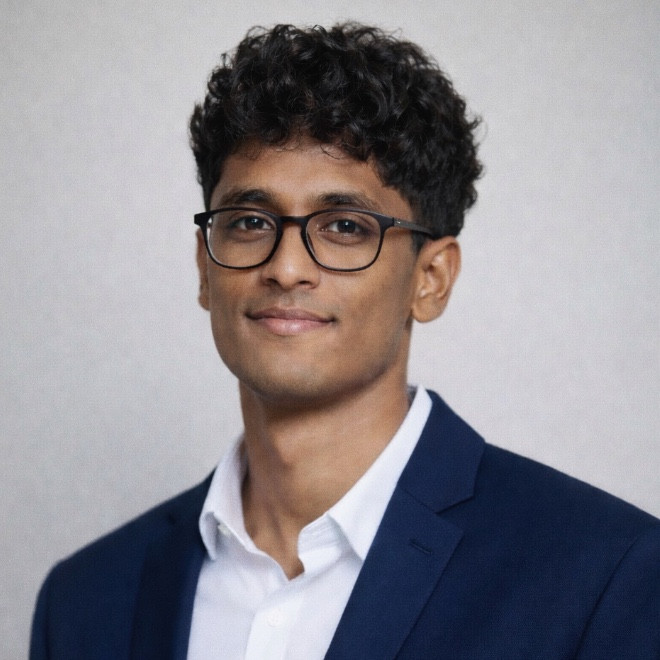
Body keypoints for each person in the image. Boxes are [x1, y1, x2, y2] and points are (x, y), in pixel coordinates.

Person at [30, 23, 659, 660]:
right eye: (249, 221)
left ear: (431, 279)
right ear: (203, 266)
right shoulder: (85, 601)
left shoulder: (604, 577)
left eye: (345, 227)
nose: (286, 268)